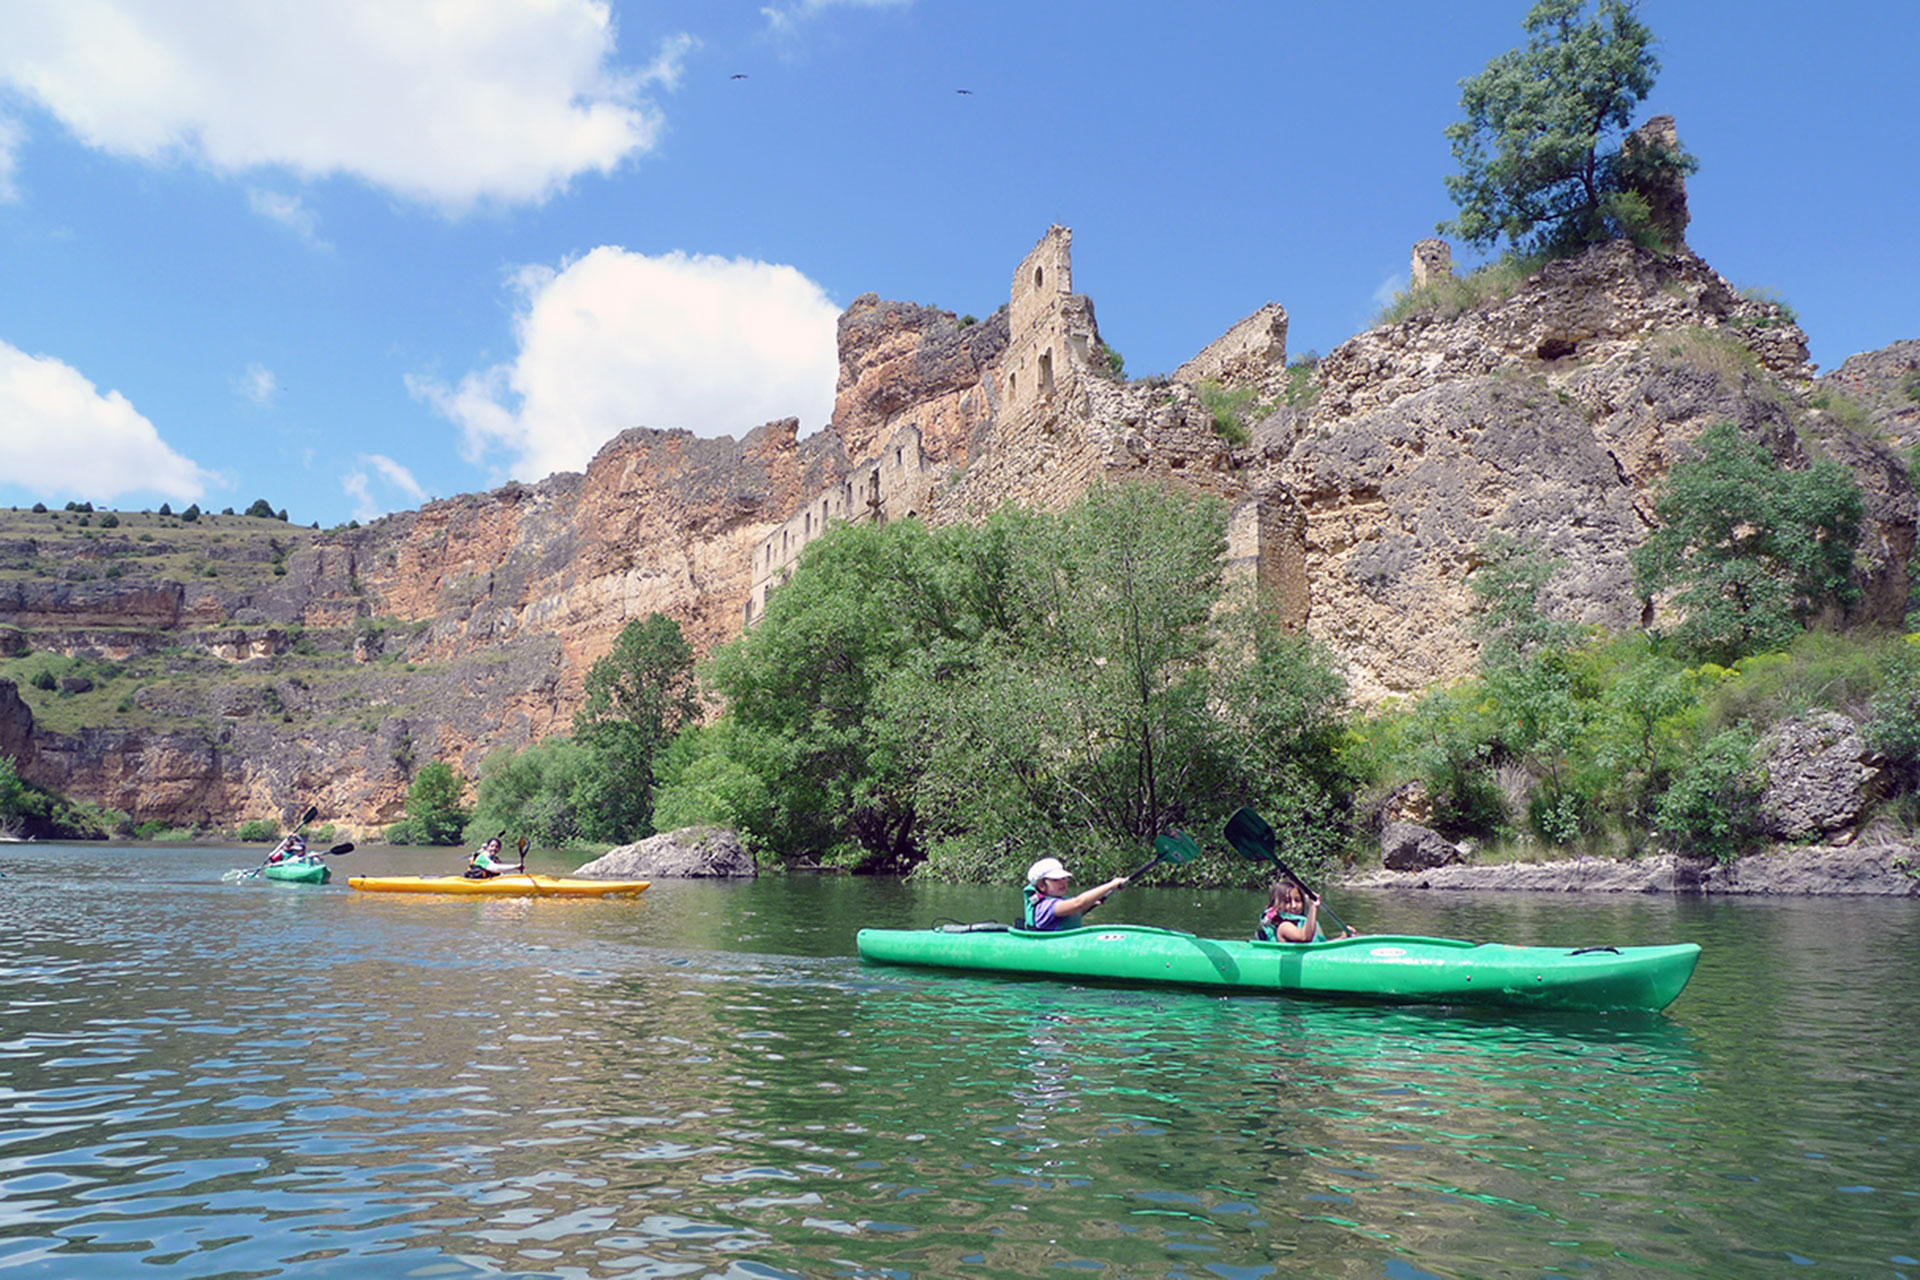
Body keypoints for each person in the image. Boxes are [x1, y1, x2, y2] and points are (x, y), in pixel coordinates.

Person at [1022, 857, 1128, 931]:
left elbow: (1075, 911)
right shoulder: (1045, 907)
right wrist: (1111, 885)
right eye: (1056, 880)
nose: (1062, 882)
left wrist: (1091, 904)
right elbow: (1078, 904)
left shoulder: (1061, 901)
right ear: (1041, 885)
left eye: (1064, 878)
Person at [1255, 877, 1355, 942]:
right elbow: (1304, 938)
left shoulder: (1304, 924)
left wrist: (1342, 938)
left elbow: (1320, 946)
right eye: (1287, 901)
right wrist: (1313, 907)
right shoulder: (1284, 927)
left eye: (1297, 900)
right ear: (1275, 905)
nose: (1294, 906)